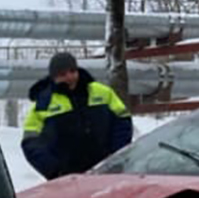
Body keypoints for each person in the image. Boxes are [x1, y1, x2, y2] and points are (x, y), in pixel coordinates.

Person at [22, 51, 132, 180]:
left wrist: (116, 155)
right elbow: (31, 143)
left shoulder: (101, 92)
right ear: (53, 77)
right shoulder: (44, 104)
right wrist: (54, 170)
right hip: (68, 179)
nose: (69, 77)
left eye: (72, 71)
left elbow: (123, 120)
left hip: (107, 172)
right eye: (62, 74)